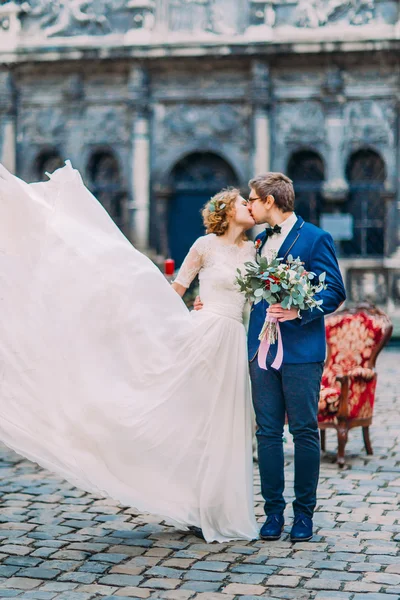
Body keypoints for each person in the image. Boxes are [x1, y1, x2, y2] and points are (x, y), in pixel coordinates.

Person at [0, 161, 259, 543]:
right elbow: (177, 288)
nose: (247, 207)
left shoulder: (254, 250)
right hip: (204, 336)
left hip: (233, 340)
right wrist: (159, 310)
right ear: (225, 211)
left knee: (225, 423)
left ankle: (220, 505)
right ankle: (190, 500)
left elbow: (256, 297)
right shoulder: (204, 246)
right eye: (241, 203)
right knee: (195, 419)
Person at [247, 173, 346, 542]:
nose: (249, 204)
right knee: (267, 433)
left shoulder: (316, 237)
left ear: (270, 201)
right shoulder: (259, 241)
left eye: (252, 199)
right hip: (261, 349)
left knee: (304, 431)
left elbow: (335, 290)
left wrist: (299, 312)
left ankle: (304, 515)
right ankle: (273, 513)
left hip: (301, 351)